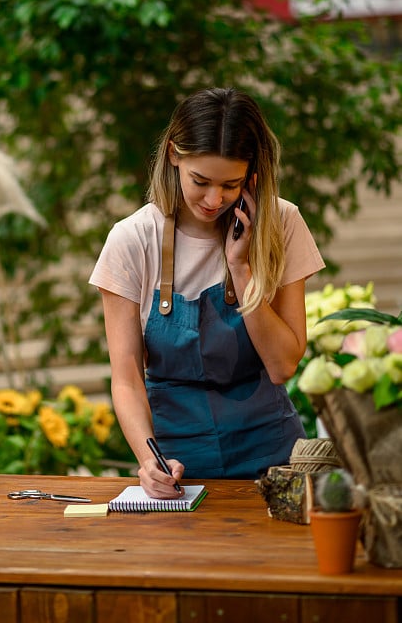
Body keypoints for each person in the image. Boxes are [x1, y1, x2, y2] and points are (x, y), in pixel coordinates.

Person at [89, 87, 325, 498]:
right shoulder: (131, 240)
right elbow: (127, 379)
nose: (214, 199)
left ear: (252, 176)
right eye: (201, 181)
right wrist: (150, 463)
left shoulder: (282, 224)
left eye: (230, 184)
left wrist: (242, 267)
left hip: (274, 456)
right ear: (173, 154)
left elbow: (283, 365)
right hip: (179, 465)